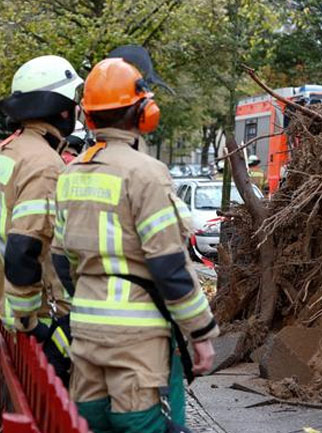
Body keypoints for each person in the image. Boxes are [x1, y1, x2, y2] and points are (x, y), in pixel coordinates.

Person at [51, 56, 218, 432]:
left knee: (91, 419)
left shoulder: (71, 173)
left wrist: (92, 295)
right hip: (136, 334)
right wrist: (201, 333)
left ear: (88, 116)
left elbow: (61, 260)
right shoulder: (147, 173)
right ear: (144, 112)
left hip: (86, 326)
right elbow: (169, 266)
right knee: (139, 421)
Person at [0, 55, 80, 382]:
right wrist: (30, 324)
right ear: (62, 110)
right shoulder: (46, 165)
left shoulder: (10, 151)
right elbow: (24, 248)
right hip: (17, 322)